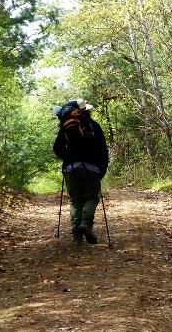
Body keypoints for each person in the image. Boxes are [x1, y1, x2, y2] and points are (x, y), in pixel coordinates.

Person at [52, 98, 109, 246]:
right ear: (86, 111)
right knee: (91, 197)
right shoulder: (94, 126)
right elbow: (103, 151)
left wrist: (69, 156)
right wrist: (102, 170)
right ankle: (86, 224)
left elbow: (57, 149)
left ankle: (77, 237)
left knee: (75, 201)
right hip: (92, 169)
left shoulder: (65, 127)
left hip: (71, 169)